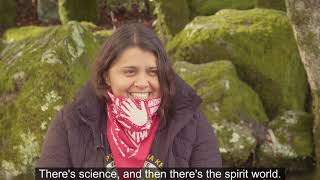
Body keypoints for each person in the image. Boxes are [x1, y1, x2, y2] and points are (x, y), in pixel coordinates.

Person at [37, 23, 221, 171]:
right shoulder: (69, 121)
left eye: (153, 72)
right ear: (106, 76)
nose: (142, 82)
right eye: (130, 72)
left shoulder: (192, 122)